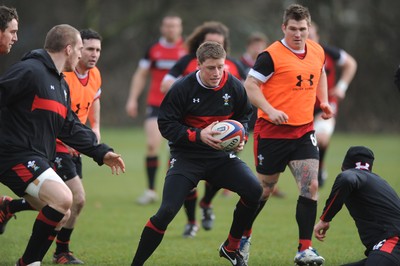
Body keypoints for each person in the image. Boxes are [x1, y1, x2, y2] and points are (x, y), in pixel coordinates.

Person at [0, 24, 125, 266]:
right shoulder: (30, 70)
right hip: (13, 154)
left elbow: (69, 127)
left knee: (62, 212)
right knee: (64, 198)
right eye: (80, 48)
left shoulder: (61, 86)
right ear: (68, 49)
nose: (81, 54)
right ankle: (29, 262)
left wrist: (102, 152)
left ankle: (28, 258)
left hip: (34, 155)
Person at [131, 41, 262, 266]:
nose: (217, 72)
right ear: (198, 65)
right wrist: (198, 136)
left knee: (254, 190)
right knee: (167, 211)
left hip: (220, 158)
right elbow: (166, 125)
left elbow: (245, 116)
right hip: (186, 157)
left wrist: (241, 138)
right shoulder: (182, 88)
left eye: (221, 66)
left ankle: (231, 247)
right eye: (211, 67)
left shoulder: (234, 86)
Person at [243, 4, 333, 265]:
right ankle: (241, 237)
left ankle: (305, 249)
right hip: (271, 132)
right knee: (264, 189)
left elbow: (321, 73)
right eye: (292, 29)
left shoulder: (317, 50)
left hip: (304, 130)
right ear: (284, 27)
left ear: (309, 28)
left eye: (302, 29)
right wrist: (270, 110)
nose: (298, 34)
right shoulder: (270, 55)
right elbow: (250, 86)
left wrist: (324, 101)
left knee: (311, 186)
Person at [161, 21, 248, 238]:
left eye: (221, 65)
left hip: (225, 139)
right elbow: (166, 85)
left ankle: (207, 203)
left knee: (222, 177)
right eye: (209, 42)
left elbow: (248, 94)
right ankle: (192, 221)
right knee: (185, 186)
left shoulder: (235, 70)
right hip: (188, 142)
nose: (217, 71)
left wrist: (241, 132)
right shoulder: (186, 67)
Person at [125, 15, 186, 205]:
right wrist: (132, 99)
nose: (171, 29)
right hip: (156, 104)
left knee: (175, 148)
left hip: (181, 106)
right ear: (162, 27)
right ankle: (150, 190)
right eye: (168, 25)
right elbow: (141, 74)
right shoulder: (153, 50)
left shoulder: (187, 50)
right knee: (152, 145)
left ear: (180, 28)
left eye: (174, 25)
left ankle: (172, 190)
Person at [314, 146, 400, 266]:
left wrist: (325, 219)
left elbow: (347, 178)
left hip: (393, 242)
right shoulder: (378, 182)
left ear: (344, 166)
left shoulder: (350, 175)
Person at [308, 22, 358, 187]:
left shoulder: (328, 52)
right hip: (302, 106)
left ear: (318, 36)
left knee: (321, 139)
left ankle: (320, 167)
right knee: (307, 143)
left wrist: (342, 87)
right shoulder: (292, 55)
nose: (308, 38)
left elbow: (351, 63)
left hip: (325, 104)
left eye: (311, 35)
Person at [239, 31, 285, 199]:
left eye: (261, 45)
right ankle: (227, 185)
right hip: (244, 109)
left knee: (270, 149)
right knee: (236, 144)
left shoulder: (268, 62)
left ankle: (272, 185)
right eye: (255, 45)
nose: (258, 48)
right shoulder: (240, 63)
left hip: (263, 109)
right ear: (248, 46)